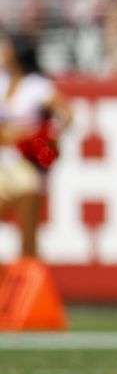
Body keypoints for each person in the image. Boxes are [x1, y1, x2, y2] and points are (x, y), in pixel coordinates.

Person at [0, 33, 70, 260]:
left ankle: (29, 280)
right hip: (3, 163)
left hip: (26, 165)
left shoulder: (37, 86)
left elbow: (66, 114)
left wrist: (44, 136)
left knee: (28, 237)